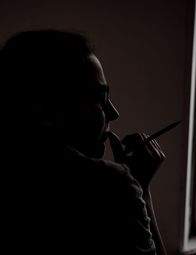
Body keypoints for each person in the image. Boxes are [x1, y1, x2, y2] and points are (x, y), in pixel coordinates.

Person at [0, 30, 167, 254]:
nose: (114, 113)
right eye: (101, 98)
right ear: (43, 107)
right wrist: (141, 189)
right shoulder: (112, 186)